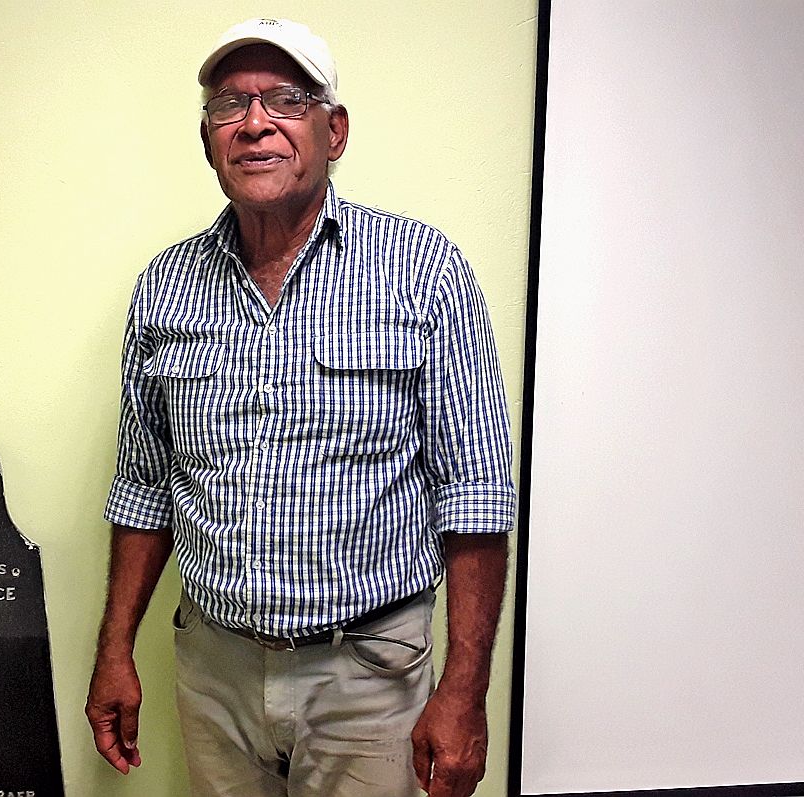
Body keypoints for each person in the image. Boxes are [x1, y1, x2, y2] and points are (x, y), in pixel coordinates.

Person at [86, 17, 515, 797]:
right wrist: (114, 649)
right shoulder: (164, 286)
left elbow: (476, 496)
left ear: (333, 130)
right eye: (229, 104)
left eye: (285, 99)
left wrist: (463, 693)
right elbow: (143, 485)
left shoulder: (423, 270)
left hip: (368, 675)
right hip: (212, 670)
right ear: (208, 139)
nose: (254, 123)